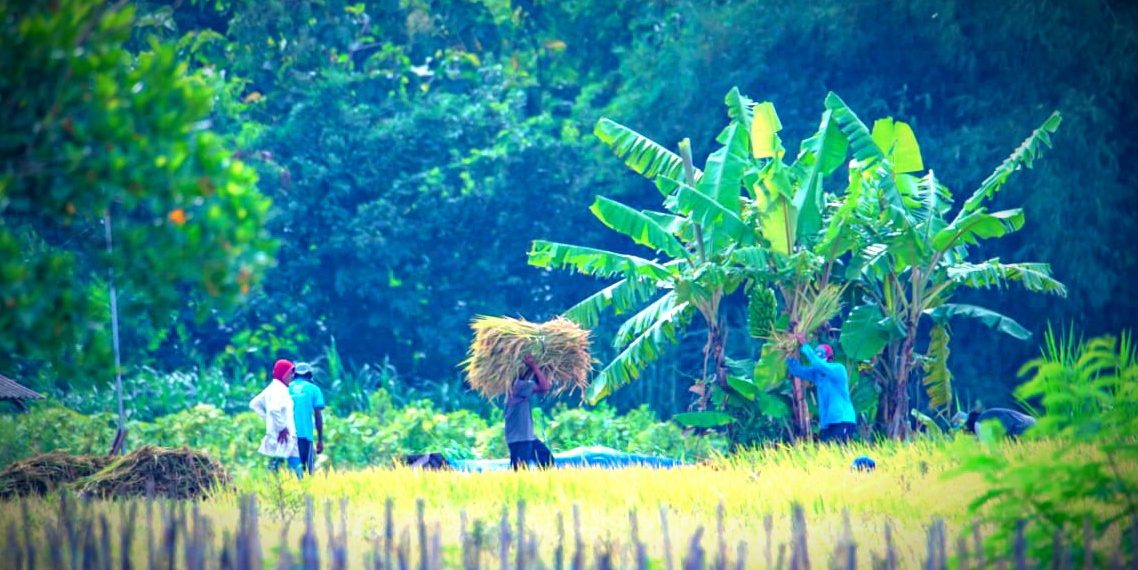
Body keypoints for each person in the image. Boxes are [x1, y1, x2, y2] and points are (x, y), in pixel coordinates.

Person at [786, 343, 857, 443]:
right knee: (825, 453)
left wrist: (804, 345)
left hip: (842, 420)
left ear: (829, 358)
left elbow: (819, 364)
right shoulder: (817, 374)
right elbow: (797, 370)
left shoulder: (838, 369)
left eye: (820, 356)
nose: (818, 359)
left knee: (839, 451)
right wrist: (789, 354)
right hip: (827, 423)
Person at [250, 359, 303, 478]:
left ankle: (294, 484)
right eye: (290, 373)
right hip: (283, 434)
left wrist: (268, 421)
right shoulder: (280, 390)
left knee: (281, 461)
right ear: (283, 374)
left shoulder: (273, 387)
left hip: (281, 433)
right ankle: (298, 484)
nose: (292, 376)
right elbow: (274, 409)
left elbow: (254, 404)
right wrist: (281, 427)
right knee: (280, 463)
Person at [505, 353, 553, 470]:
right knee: (520, 470)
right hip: (520, 439)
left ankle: (539, 485)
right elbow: (544, 387)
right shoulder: (517, 384)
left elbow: (543, 385)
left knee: (546, 459)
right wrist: (534, 366)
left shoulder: (519, 385)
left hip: (526, 437)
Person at [289, 362, 326, 475]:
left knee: (292, 473)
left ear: (294, 375)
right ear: (309, 375)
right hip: (306, 436)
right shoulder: (314, 389)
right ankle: (307, 492)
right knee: (308, 473)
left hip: (288, 437)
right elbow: (318, 418)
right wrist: (320, 440)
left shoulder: (286, 389)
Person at [965, 407, 1036, 439]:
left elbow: (986, 443)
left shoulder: (978, 423)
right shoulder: (990, 413)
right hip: (1031, 421)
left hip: (1025, 429)